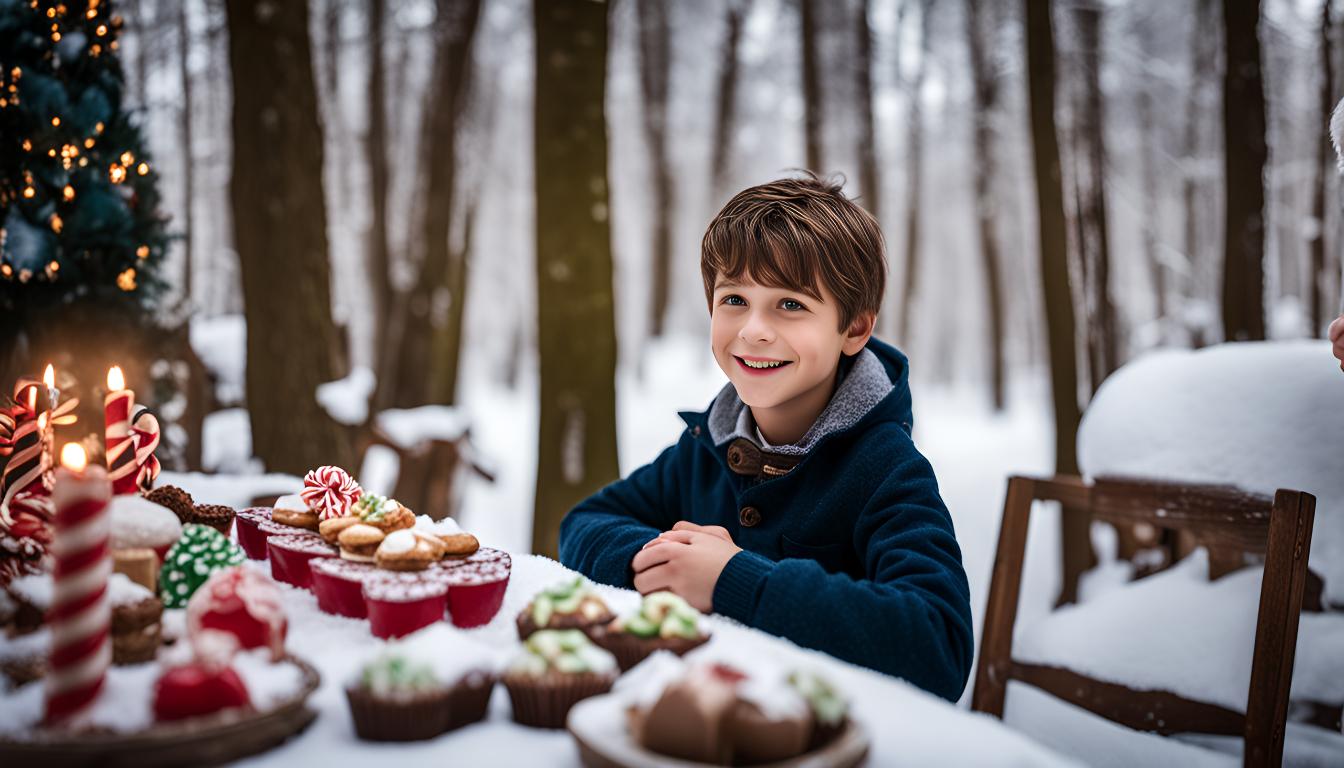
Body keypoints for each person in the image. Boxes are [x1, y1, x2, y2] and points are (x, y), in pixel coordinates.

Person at [558, 174, 973, 702]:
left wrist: (732, 580)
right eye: (734, 298)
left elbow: (940, 645)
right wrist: (665, 562)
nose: (753, 329)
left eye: (791, 305)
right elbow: (582, 523)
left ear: (855, 329)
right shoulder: (706, 445)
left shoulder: (886, 469)